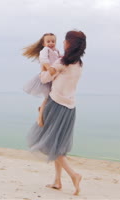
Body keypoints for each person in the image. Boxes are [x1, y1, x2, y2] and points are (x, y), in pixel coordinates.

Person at [26, 30, 86, 196]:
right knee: (58, 144)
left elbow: (45, 79)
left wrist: (42, 69)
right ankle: (57, 181)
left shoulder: (61, 62)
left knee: (50, 144)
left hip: (56, 105)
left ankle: (74, 175)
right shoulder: (79, 64)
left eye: (65, 41)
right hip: (70, 108)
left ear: (69, 44)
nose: (63, 43)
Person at [22, 33, 62, 127]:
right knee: (47, 98)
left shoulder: (56, 51)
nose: (51, 43)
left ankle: (42, 110)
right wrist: (49, 68)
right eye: (48, 41)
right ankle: (40, 117)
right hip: (46, 76)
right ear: (43, 43)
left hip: (52, 77)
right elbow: (43, 59)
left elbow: (60, 58)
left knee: (51, 98)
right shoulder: (45, 50)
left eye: (53, 41)